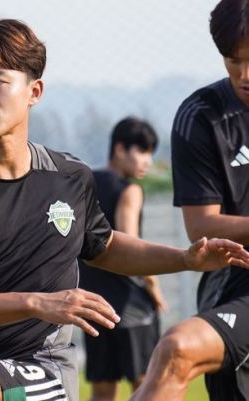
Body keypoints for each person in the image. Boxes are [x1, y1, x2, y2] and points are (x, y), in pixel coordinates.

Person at [0, 19, 249, 401]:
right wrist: (37, 302)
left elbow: (104, 246)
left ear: (34, 91)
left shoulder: (69, 177)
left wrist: (185, 258)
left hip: (42, 372)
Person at [130, 1, 249, 400]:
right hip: (238, 283)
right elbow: (201, 226)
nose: (244, 75)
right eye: (233, 60)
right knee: (177, 349)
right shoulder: (202, 115)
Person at [79, 117, 167, 401]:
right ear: (119, 149)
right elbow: (131, 248)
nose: (147, 162)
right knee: (146, 386)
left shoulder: (84, 184)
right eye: (142, 152)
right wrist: (153, 287)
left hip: (94, 305)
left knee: (102, 390)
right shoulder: (130, 190)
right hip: (130, 306)